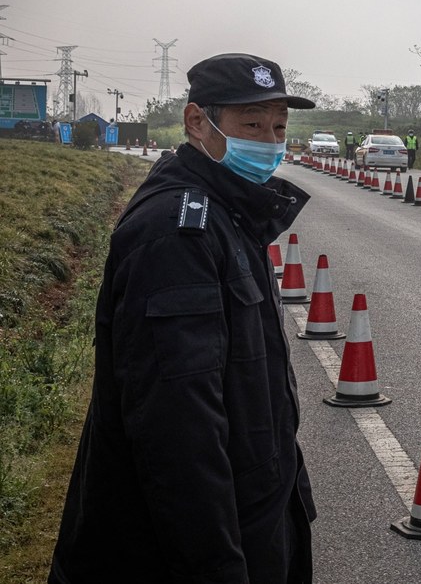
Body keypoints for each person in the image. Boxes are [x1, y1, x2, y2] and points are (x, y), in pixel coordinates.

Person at [50, 53, 317, 583]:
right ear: (198, 122)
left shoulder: (230, 211)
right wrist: (217, 566)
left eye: (278, 127)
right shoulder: (176, 235)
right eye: (251, 124)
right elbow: (178, 430)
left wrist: (292, 502)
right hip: (191, 547)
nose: (268, 141)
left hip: (254, 519)